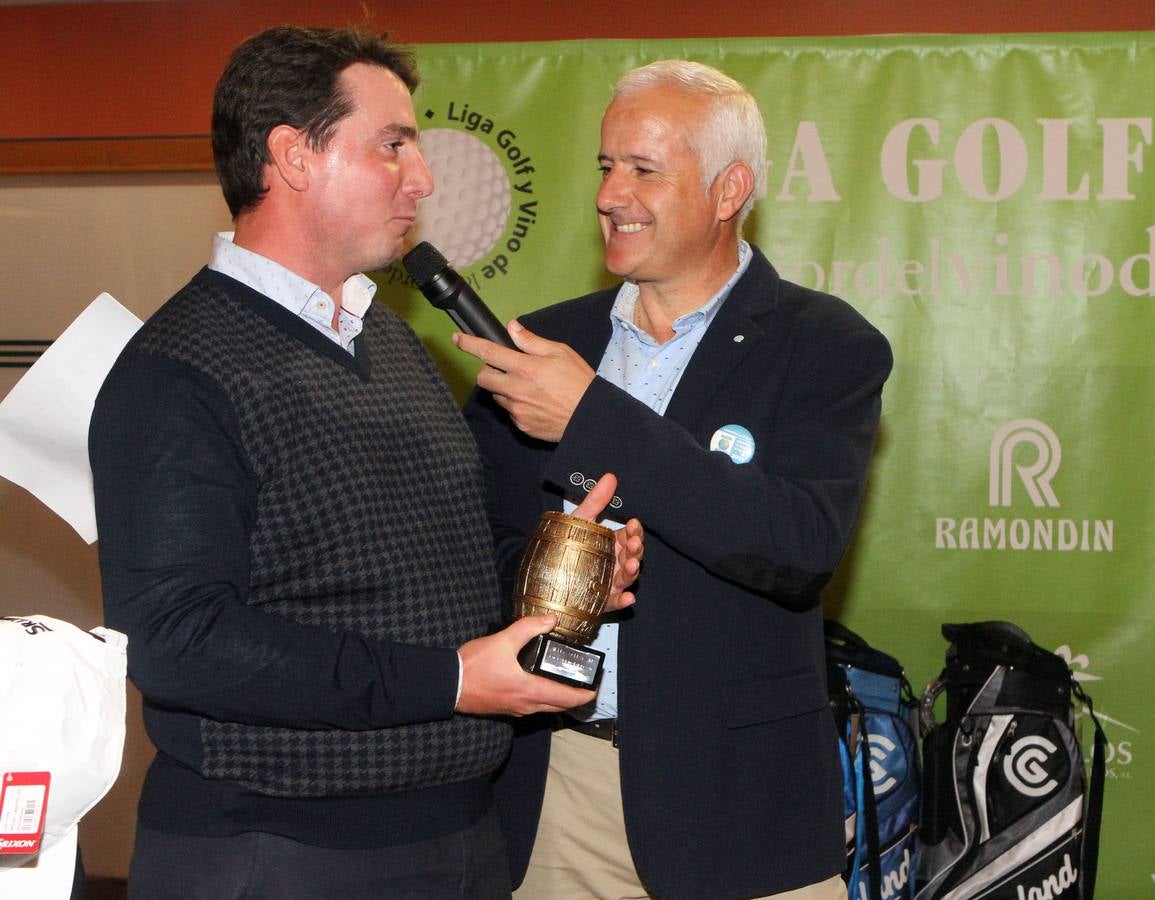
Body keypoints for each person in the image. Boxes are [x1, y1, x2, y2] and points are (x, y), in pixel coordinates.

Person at [88, 25, 640, 900]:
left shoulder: (390, 340)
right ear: (292, 157)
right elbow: (178, 642)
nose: (420, 178)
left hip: (460, 835)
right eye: (392, 146)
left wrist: (557, 569)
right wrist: (453, 681)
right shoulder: (177, 369)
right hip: (275, 853)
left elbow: (431, 575)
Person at [457, 60, 893, 899]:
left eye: (643, 170)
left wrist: (590, 419)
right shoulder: (546, 346)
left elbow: (795, 546)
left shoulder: (823, 343)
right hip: (557, 793)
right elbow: (480, 549)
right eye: (605, 166)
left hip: (737, 805)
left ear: (729, 190)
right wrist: (564, 573)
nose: (610, 193)